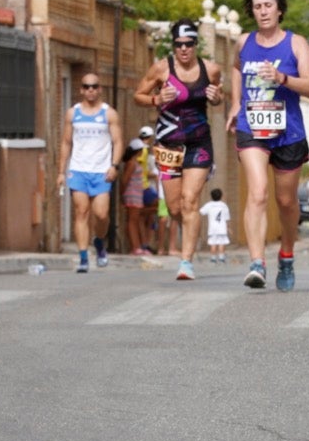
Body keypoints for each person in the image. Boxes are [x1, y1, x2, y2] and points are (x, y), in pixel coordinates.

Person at [227, 0, 309, 292]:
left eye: (268, 5)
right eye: (257, 6)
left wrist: (281, 77)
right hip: (252, 126)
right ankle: (256, 263)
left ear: (279, 9)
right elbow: (236, 69)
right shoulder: (243, 43)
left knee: (286, 201)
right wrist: (235, 104)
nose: (263, 11)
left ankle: (287, 255)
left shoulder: (296, 44)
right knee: (258, 192)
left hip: (288, 131)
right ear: (251, 11)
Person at [134, 19, 224, 282]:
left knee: (190, 201)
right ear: (173, 45)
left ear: (196, 44)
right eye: (178, 45)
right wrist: (156, 99)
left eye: (188, 44)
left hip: (199, 144)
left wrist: (217, 98)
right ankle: (186, 238)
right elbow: (137, 95)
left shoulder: (211, 69)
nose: (183, 49)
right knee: (174, 208)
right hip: (168, 144)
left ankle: (187, 262)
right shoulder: (161, 69)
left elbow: (220, 96)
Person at [57, 72, 123, 274]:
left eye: (94, 86)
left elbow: (118, 142)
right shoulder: (73, 113)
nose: (90, 90)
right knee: (81, 212)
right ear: (81, 90)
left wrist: (114, 165)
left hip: (101, 171)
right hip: (78, 170)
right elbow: (66, 143)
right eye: (86, 86)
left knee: (101, 215)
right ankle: (84, 257)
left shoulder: (108, 113)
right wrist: (61, 171)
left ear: (100, 89)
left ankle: (99, 242)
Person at [118, 133, 153, 256]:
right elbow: (124, 180)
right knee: (132, 221)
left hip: (137, 194)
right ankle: (135, 247)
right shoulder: (132, 163)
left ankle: (138, 246)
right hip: (132, 193)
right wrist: (122, 194)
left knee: (135, 219)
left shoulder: (135, 162)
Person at [201, 187, 230, 264]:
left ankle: (213, 258)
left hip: (212, 228)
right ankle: (221, 257)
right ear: (221, 196)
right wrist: (228, 228)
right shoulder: (224, 205)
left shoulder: (209, 205)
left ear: (211, 196)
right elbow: (227, 218)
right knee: (221, 243)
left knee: (213, 243)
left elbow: (201, 212)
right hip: (222, 227)